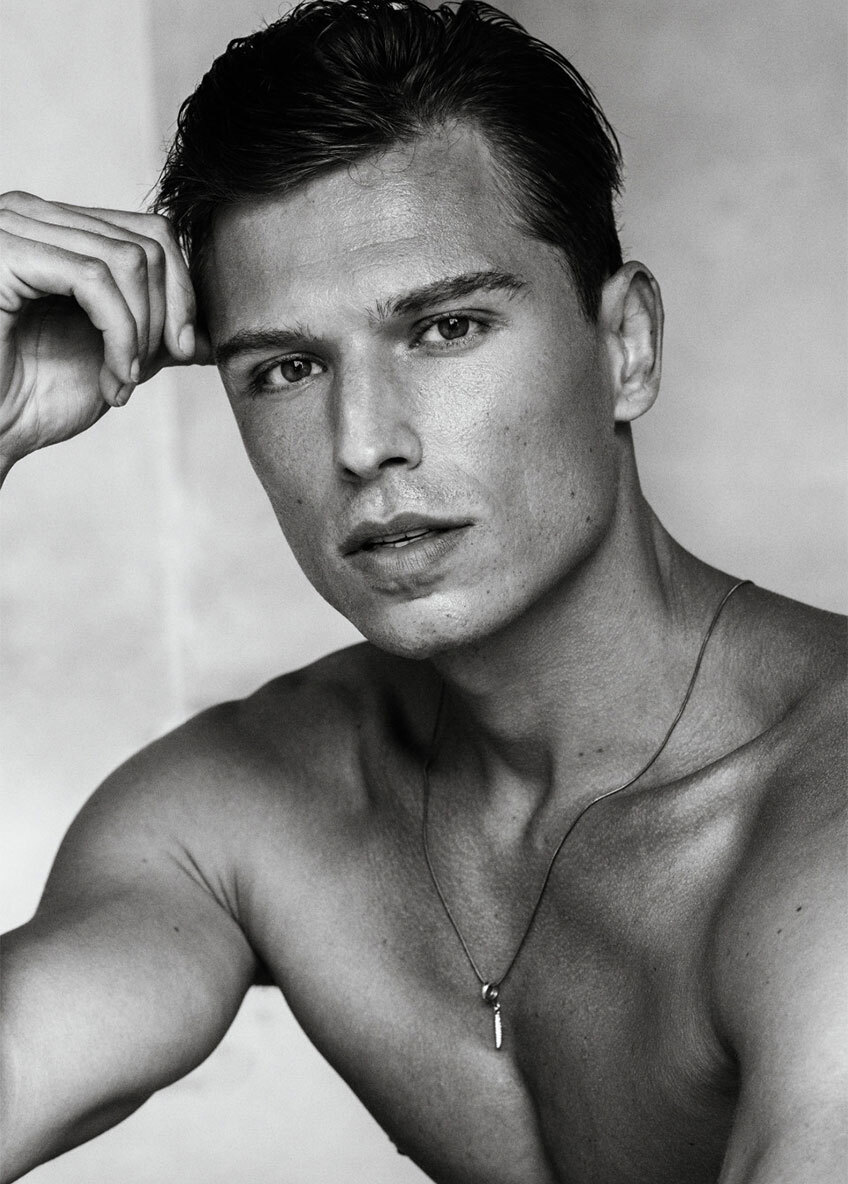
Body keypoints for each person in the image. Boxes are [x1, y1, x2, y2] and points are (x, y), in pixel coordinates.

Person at [0, 1, 844, 1180]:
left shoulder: (818, 824)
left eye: (446, 327)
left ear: (626, 346)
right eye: (286, 366)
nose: (362, 442)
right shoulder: (247, 809)